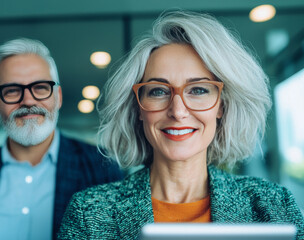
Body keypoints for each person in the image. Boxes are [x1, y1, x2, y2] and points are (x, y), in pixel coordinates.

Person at [57, 11, 304, 239]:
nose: (177, 111)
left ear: (222, 105)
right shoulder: (88, 213)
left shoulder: (272, 204)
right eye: (157, 91)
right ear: (138, 108)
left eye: (198, 90)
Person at [0, 38, 123, 240]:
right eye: (11, 90)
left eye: (40, 87)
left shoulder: (102, 169)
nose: (28, 101)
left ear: (58, 97)